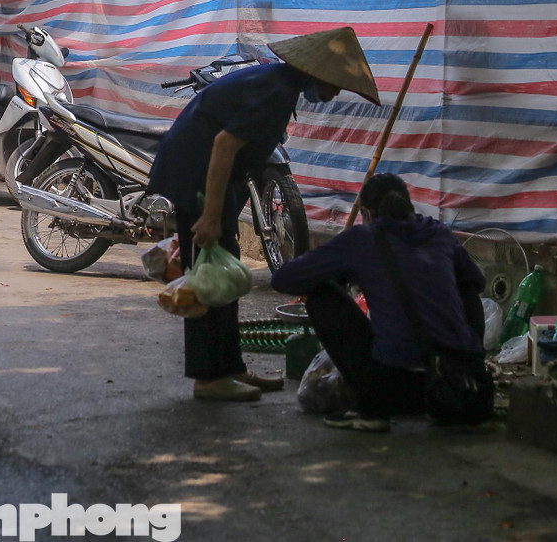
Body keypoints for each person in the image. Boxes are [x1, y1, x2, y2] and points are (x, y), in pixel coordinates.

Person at [146, 26, 383, 402]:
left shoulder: (278, 83)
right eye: (336, 84)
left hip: (200, 175)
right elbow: (223, 147)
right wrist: (209, 216)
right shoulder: (275, 91)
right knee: (210, 280)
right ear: (316, 73)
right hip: (197, 175)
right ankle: (210, 378)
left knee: (221, 270)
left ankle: (229, 368)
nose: (336, 92)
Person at [270, 173, 486, 432]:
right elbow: (475, 283)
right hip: (454, 380)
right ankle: (471, 366)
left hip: (392, 389)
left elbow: (284, 278)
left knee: (322, 294)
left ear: (366, 212)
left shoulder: (362, 238)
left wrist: (339, 276)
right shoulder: (438, 232)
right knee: (467, 285)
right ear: (408, 204)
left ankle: (370, 410)